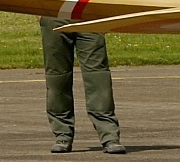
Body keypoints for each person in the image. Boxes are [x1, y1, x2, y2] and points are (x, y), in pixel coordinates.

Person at [40, 17, 126, 154]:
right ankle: (62, 135)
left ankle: (109, 136)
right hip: (53, 14)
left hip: (87, 15)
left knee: (98, 75)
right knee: (57, 76)